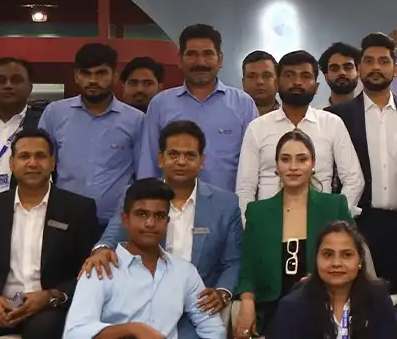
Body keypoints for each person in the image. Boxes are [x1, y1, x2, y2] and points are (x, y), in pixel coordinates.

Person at [82, 121, 243, 334]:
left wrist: (222, 292)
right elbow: (111, 236)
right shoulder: (137, 195)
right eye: (173, 154)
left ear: (202, 161)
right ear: (160, 158)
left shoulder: (226, 204)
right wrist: (101, 250)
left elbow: (232, 262)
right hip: (141, 302)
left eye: (190, 155)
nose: (181, 162)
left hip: (197, 306)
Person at [0, 129, 101, 339]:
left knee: (43, 331)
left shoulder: (78, 209)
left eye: (40, 156)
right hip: (1, 302)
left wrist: (51, 296)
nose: (32, 163)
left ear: (53, 162)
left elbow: (87, 272)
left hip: (49, 306)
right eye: (24, 156)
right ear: (11, 163)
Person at [63, 178, 228, 339]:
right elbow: (74, 333)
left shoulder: (185, 272)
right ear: (125, 219)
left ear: (167, 222)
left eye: (159, 216)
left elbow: (213, 329)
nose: (150, 223)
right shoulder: (101, 269)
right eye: (142, 214)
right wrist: (132, 330)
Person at [327, 33, 397, 292]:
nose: (375, 67)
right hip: (359, 222)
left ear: (396, 69)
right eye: (368, 61)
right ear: (359, 68)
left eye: (383, 61)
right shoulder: (336, 117)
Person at [231, 131, 356, 336]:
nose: (293, 167)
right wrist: (247, 302)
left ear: (313, 164)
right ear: (276, 166)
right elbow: (248, 269)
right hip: (271, 310)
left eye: (302, 159)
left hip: (325, 304)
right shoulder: (258, 212)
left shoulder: (334, 206)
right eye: (285, 159)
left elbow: (353, 255)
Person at [235, 50, 364, 214]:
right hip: (268, 222)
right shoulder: (257, 128)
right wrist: (251, 224)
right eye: (289, 75)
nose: (297, 82)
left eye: (305, 76)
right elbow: (245, 187)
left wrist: (335, 217)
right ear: (276, 83)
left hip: (320, 222)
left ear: (316, 87)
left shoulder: (332, 124)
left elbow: (354, 180)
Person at [139, 24, 261, 191]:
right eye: (192, 54)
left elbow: (253, 166)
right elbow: (149, 164)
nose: (200, 62)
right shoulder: (160, 104)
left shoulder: (243, 104)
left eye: (208, 54)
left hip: (228, 204)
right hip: (172, 204)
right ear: (180, 59)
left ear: (220, 59)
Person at [44, 43, 146, 221]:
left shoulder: (136, 120)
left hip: (116, 221)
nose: (92, 80)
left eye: (101, 73)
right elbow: (43, 165)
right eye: (86, 73)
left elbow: (143, 175)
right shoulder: (55, 113)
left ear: (115, 76)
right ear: (76, 76)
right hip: (65, 218)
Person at [267, 221, 397, 338]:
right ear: (316, 259)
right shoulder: (291, 308)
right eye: (327, 254)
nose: (336, 263)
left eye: (347, 255)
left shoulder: (379, 302)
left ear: (360, 261)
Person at [0, 57, 45, 199]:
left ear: (30, 88)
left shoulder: (43, 123)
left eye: (16, 80)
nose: (8, 85)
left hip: (26, 207)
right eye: (0, 80)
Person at [320, 42, 362, 107]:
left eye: (348, 68)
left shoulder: (371, 111)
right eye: (334, 69)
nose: (342, 72)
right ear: (326, 76)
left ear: (358, 72)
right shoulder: (316, 113)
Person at [241, 51, 279, 117]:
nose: (260, 82)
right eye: (252, 76)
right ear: (243, 83)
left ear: (277, 82)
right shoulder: (231, 116)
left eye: (266, 76)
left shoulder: (291, 117)